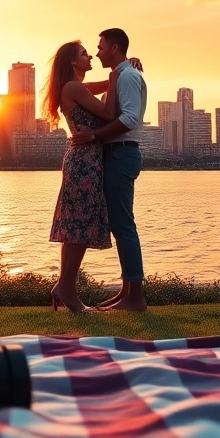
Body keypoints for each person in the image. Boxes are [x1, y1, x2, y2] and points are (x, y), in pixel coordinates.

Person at [42, 40, 123, 312]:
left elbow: (107, 85)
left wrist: (120, 70)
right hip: (84, 162)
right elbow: (110, 113)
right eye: (84, 53)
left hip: (84, 161)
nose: (90, 56)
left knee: (75, 227)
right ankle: (67, 289)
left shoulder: (76, 87)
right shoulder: (74, 87)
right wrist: (117, 72)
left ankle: (65, 287)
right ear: (73, 62)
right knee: (78, 228)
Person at [72, 28, 148, 311]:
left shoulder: (127, 76)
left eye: (101, 47)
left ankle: (135, 297)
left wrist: (93, 136)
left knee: (124, 225)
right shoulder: (124, 74)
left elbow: (128, 118)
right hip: (116, 154)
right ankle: (127, 292)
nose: (97, 52)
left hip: (121, 153)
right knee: (120, 225)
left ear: (114, 48)